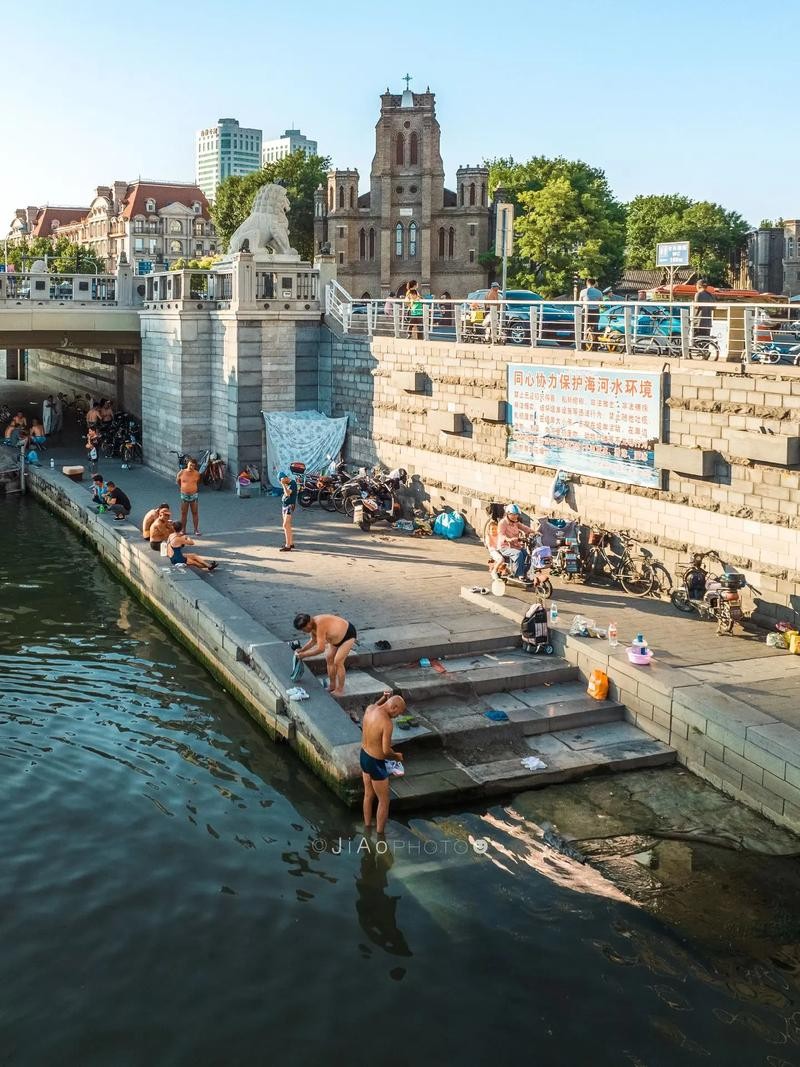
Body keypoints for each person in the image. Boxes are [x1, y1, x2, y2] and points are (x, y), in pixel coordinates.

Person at [360, 690, 407, 833]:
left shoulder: (370, 709)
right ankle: (380, 834)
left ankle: (367, 826)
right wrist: (397, 756)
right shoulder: (386, 723)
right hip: (376, 764)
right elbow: (386, 750)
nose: (396, 717)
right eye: (397, 714)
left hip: (364, 756)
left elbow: (376, 705)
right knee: (384, 801)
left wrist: (384, 698)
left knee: (368, 795)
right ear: (394, 708)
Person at [293, 612, 358, 697]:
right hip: (335, 638)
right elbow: (313, 641)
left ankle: (340, 689)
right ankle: (332, 685)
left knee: (338, 662)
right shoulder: (312, 626)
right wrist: (302, 650)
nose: (303, 632)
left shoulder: (319, 624)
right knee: (329, 658)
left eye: (303, 629)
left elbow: (321, 649)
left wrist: (304, 655)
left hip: (348, 635)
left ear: (308, 623)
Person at [497, 503, 534, 581]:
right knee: (518, 554)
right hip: (505, 546)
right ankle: (519, 574)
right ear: (508, 514)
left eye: (517, 514)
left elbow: (524, 528)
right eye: (513, 515)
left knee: (528, 556)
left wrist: (534, 532)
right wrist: (507, 539)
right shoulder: (502, 523)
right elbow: (501, 535)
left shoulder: (516, 522)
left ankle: (524, 573)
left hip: (515, 545)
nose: (515, 516)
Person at [176, 459, 202, 535]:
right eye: (190, 465)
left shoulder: (197, 474)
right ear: (187, 464)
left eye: (193, 466)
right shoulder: (181, 472)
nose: (191, 467)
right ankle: (183, 530)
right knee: (184, 513)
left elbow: (198, 482)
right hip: (184, 495)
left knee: (195, 512)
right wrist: (183, 488)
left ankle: (196, 530)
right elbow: (178, 481)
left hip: (194, 495)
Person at [580, 277, 604, 350]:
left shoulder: (583, 291)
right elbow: (601, 303)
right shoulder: (599, 292)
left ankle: (582, 345)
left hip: (586, 311)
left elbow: (580, 302)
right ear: (594, 283)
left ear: (587, 283)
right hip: (595, 311)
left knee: (583, 327)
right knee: (595, 328)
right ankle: (595, 346)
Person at [279, 471, 298, 551]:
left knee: (285, 525)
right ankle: (291, 543)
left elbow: (287, 494)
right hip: (284, 506)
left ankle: (288, 546)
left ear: (285, 478)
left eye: (282, 480)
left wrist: (283, 484)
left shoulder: (292, 484)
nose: (282, 482)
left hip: (289, 506)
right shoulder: (287, 484)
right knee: (288, 526)